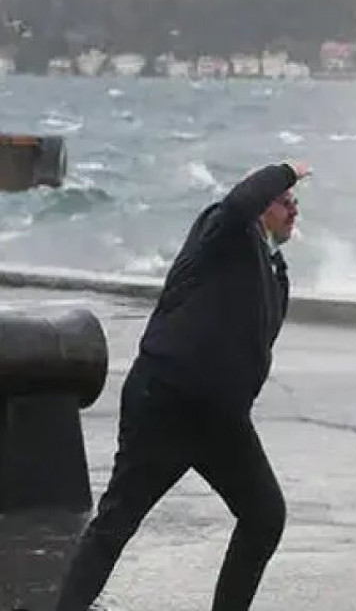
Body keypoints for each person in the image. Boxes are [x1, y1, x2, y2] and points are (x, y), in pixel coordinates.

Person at [55, 161, 311, 611]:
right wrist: (286, 170)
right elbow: (238, 203)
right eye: (283, 200)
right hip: (165, 405)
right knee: (116, 524)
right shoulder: (224, 230)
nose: (293, 209)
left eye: (295, 202)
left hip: (220, 422)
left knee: (264, 516)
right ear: (259, 203)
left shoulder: (275, 270)